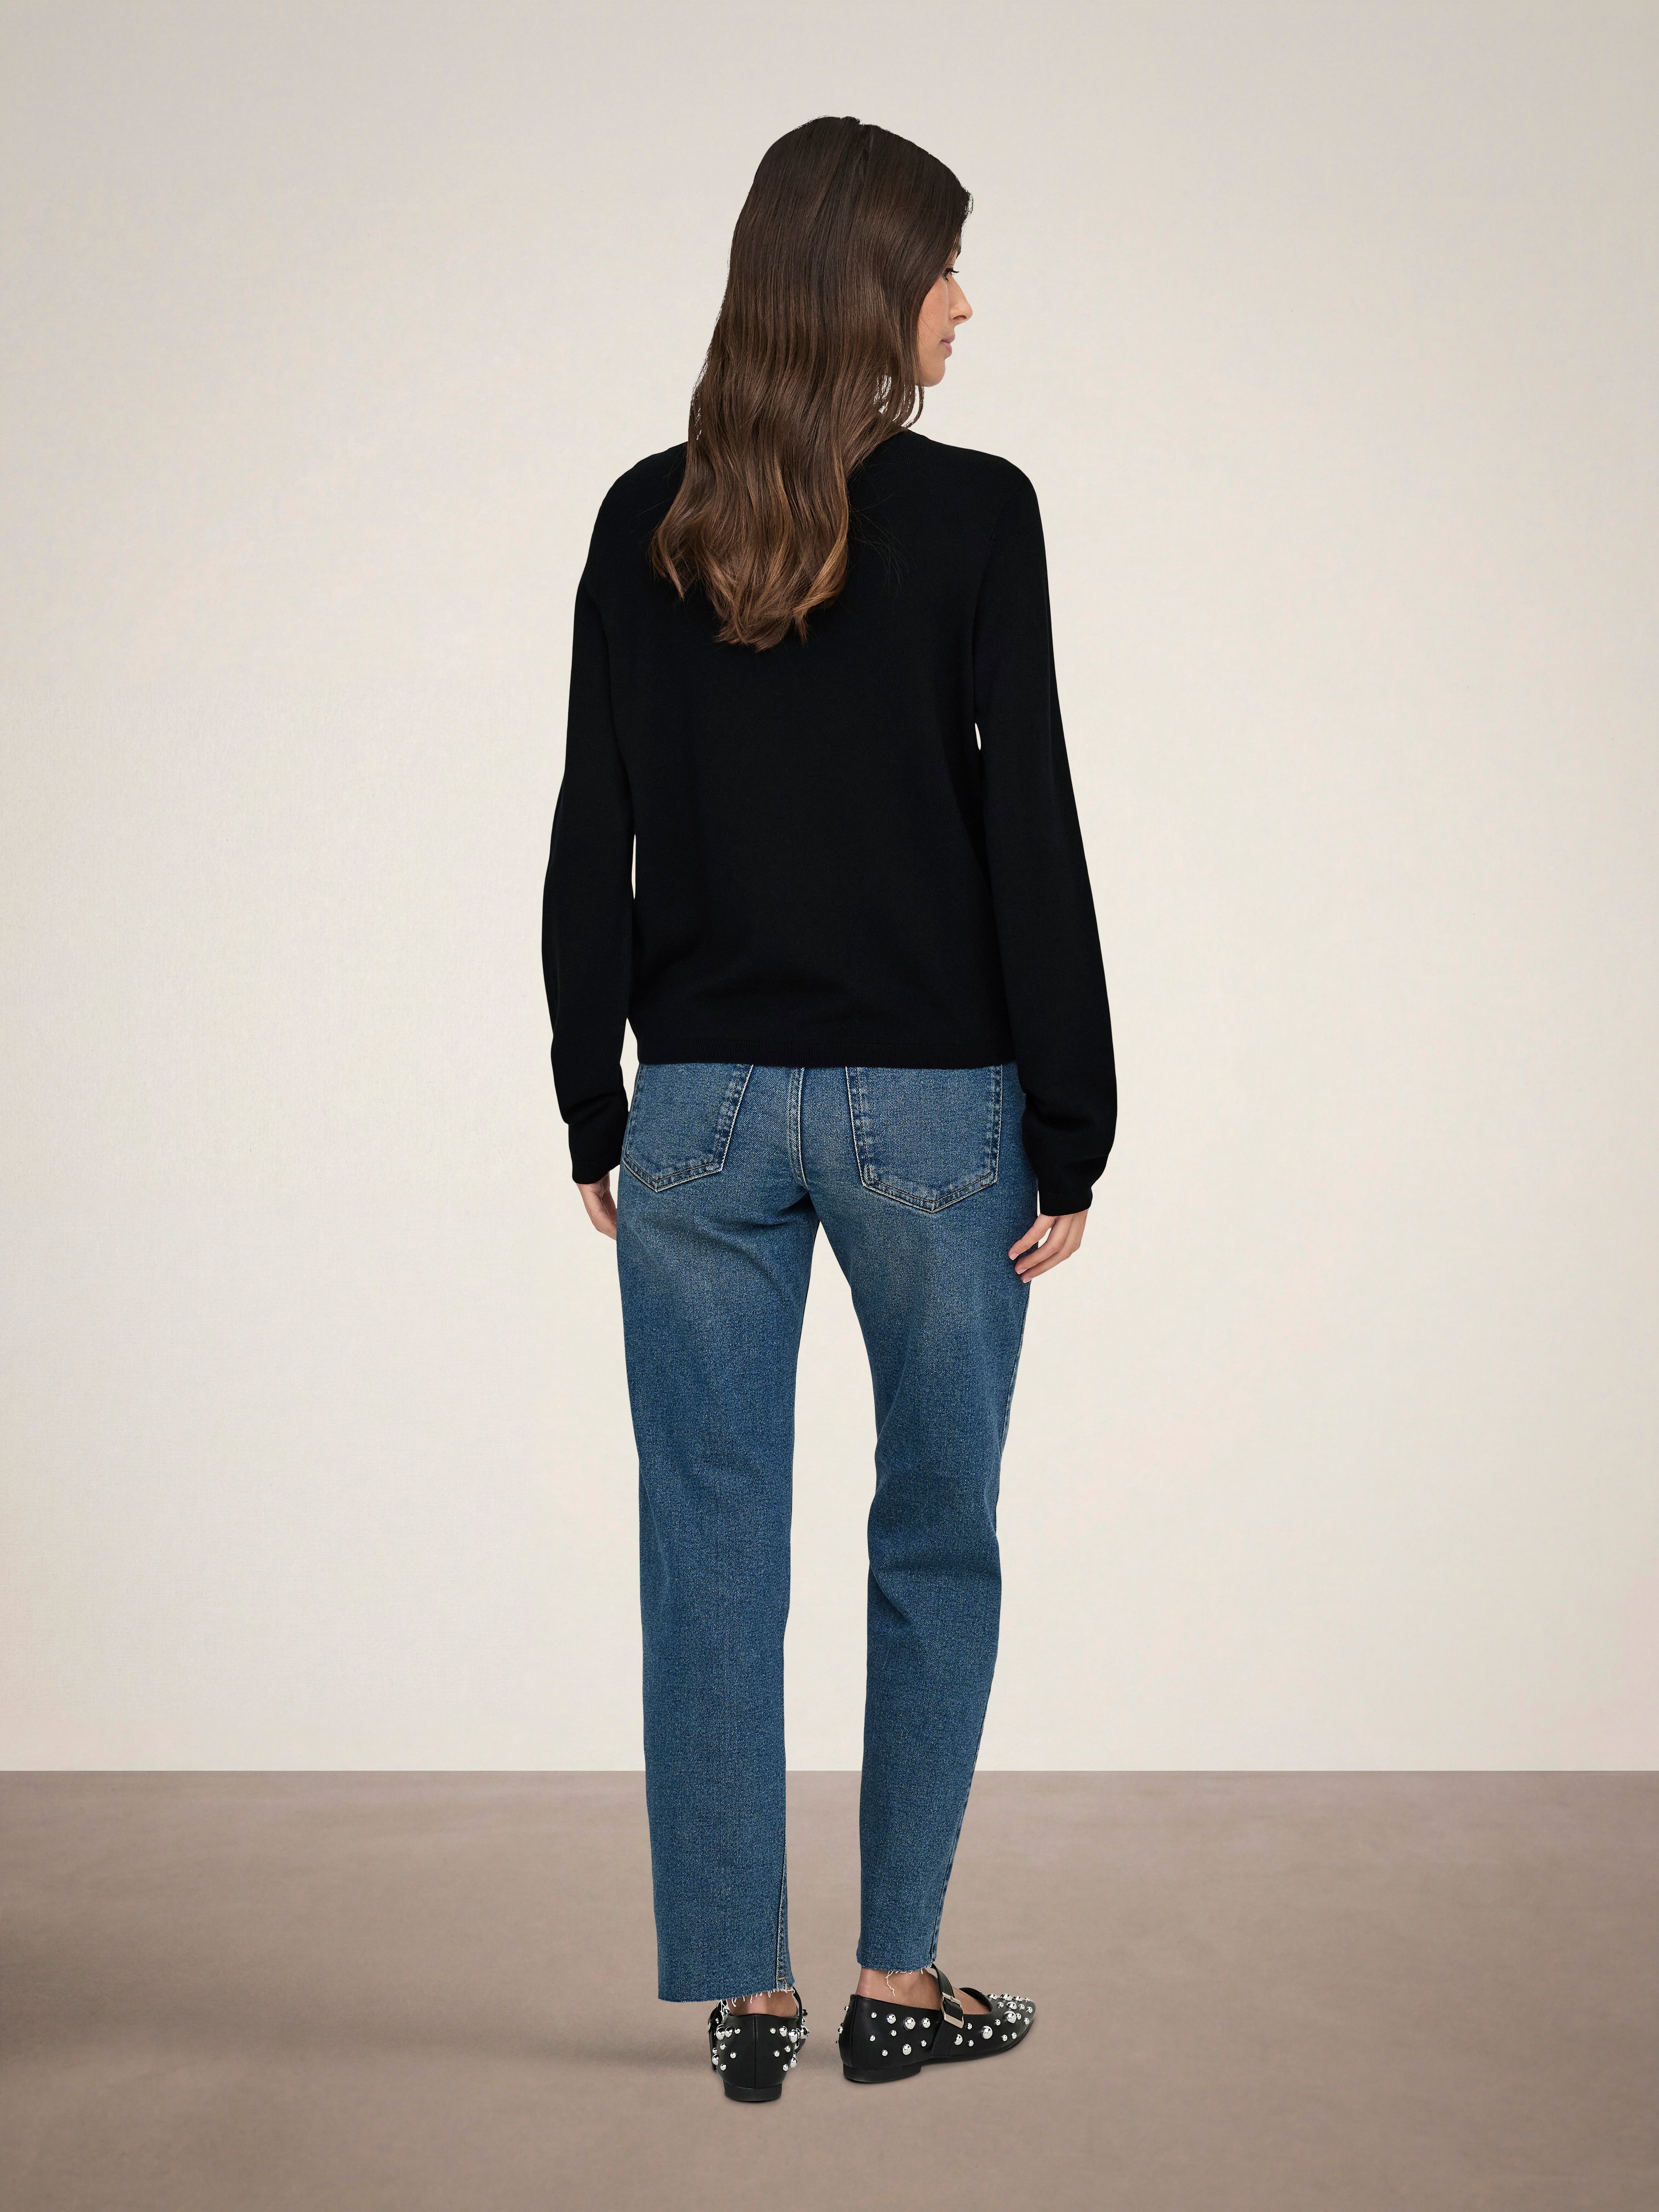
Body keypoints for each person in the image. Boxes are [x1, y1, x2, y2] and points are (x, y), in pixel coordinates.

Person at [541, 114, 1116, 2102]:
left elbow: (593, 825)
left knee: (707, 1546)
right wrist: (1075, 1120)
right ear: (875, 286)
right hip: (936, 1115)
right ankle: (897, 1977)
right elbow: (1029, 823)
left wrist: (592, 1097)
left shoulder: (648, 518)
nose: (966, 301)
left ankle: (747, 1994)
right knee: (935, 1537)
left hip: (696, 1113)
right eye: (947, 264)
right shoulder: (977, 516)